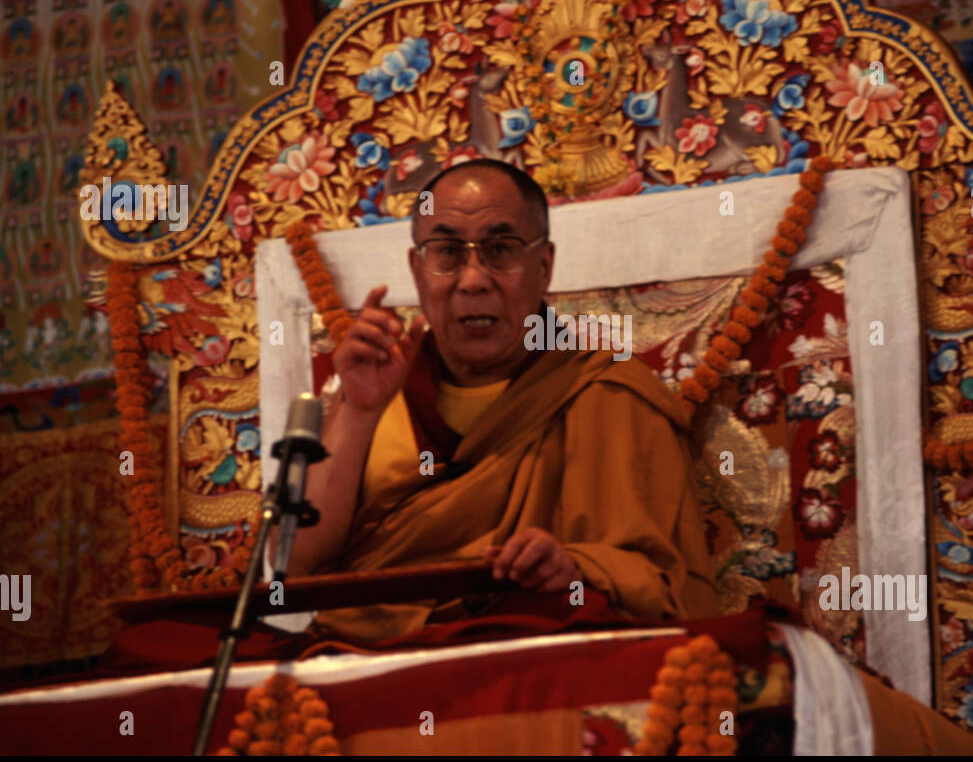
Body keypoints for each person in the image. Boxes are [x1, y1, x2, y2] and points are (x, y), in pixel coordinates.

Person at [279, 159, 718, 642]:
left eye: (500, 249)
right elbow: (299, 573)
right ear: (416, 268)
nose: (472, 280)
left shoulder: (609, 394)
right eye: (446, 252)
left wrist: (575, 569)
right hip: (371, 660)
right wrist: (359, 413)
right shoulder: (378, 389)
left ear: (544, 266)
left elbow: (671, 590)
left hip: (534, 665)